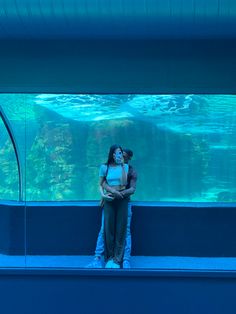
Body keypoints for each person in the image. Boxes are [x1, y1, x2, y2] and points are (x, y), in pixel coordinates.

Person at [87, 148, 137, 269]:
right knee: (104, 229)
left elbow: (132, 189)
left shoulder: (131, 170)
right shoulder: (109, 167)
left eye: (124, 156)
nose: (121, 158)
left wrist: (120, 193)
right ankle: (98, 257)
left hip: (124, 202)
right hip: (110, 201)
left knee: (126, 230)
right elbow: (103, 182)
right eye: (120, 155)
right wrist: (106, 196)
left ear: (129, 158)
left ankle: (125, 259)